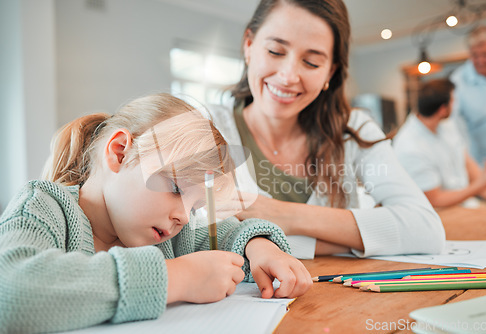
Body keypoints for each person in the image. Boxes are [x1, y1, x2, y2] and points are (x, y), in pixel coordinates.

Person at [0, 93, 311, 333]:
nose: (185, 217)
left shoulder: (170, 234)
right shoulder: (42, 205)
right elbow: (11, 294)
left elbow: (227, 232)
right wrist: (175, 278)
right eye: (176, 188)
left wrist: (259, 246)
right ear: (119, 152)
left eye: (194, 206)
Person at [208, 0, 445, 259]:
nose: (288, 77)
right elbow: (193, 238)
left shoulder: (355, 129)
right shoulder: (203, 127)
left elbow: (425, 229)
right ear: (249, 45)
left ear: (330, 72)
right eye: (276, 51)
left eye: (311, 62)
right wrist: (344, 241)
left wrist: (281, 214)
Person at [393, 79, 486, 208]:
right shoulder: (410, 147)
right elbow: (435, 200)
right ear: (443, 109)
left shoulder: (446, 124)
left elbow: (468, 164)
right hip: (439, 213)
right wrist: (482, 184)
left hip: (467, 205)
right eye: (452, 101)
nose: (454, 104)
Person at [450, 25, 486, 170]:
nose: (480, 61)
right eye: (474, 55)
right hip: (485, 165)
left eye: (485, 54)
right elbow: (454, 128)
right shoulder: (458, 82)